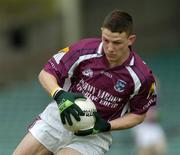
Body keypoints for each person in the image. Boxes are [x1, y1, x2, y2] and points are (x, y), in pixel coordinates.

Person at [13, 10, 157, 155]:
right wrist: (59, 94)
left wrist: (106, 126)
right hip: (60, 116)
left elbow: (139, 114)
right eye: (106, 40)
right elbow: (46, 73)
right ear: (101, 32)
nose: (110, 48)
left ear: (130, 39)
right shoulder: (83, 50)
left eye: (117, 42)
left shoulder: (141, 76)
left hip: (94, 136)